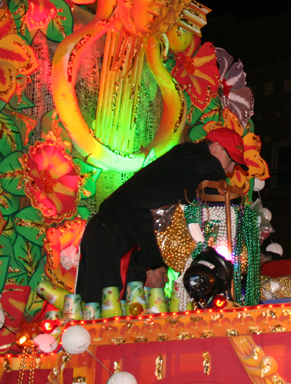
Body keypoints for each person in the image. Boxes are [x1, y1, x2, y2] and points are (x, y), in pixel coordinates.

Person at [75, 128, 248, 305]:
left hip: (124, 235)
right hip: (112, 232)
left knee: (123, 305)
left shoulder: (187, 159)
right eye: (231, 160)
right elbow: (220, 201)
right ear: (216, 147)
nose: (229, 169)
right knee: (102, 305)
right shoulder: (202, 161)